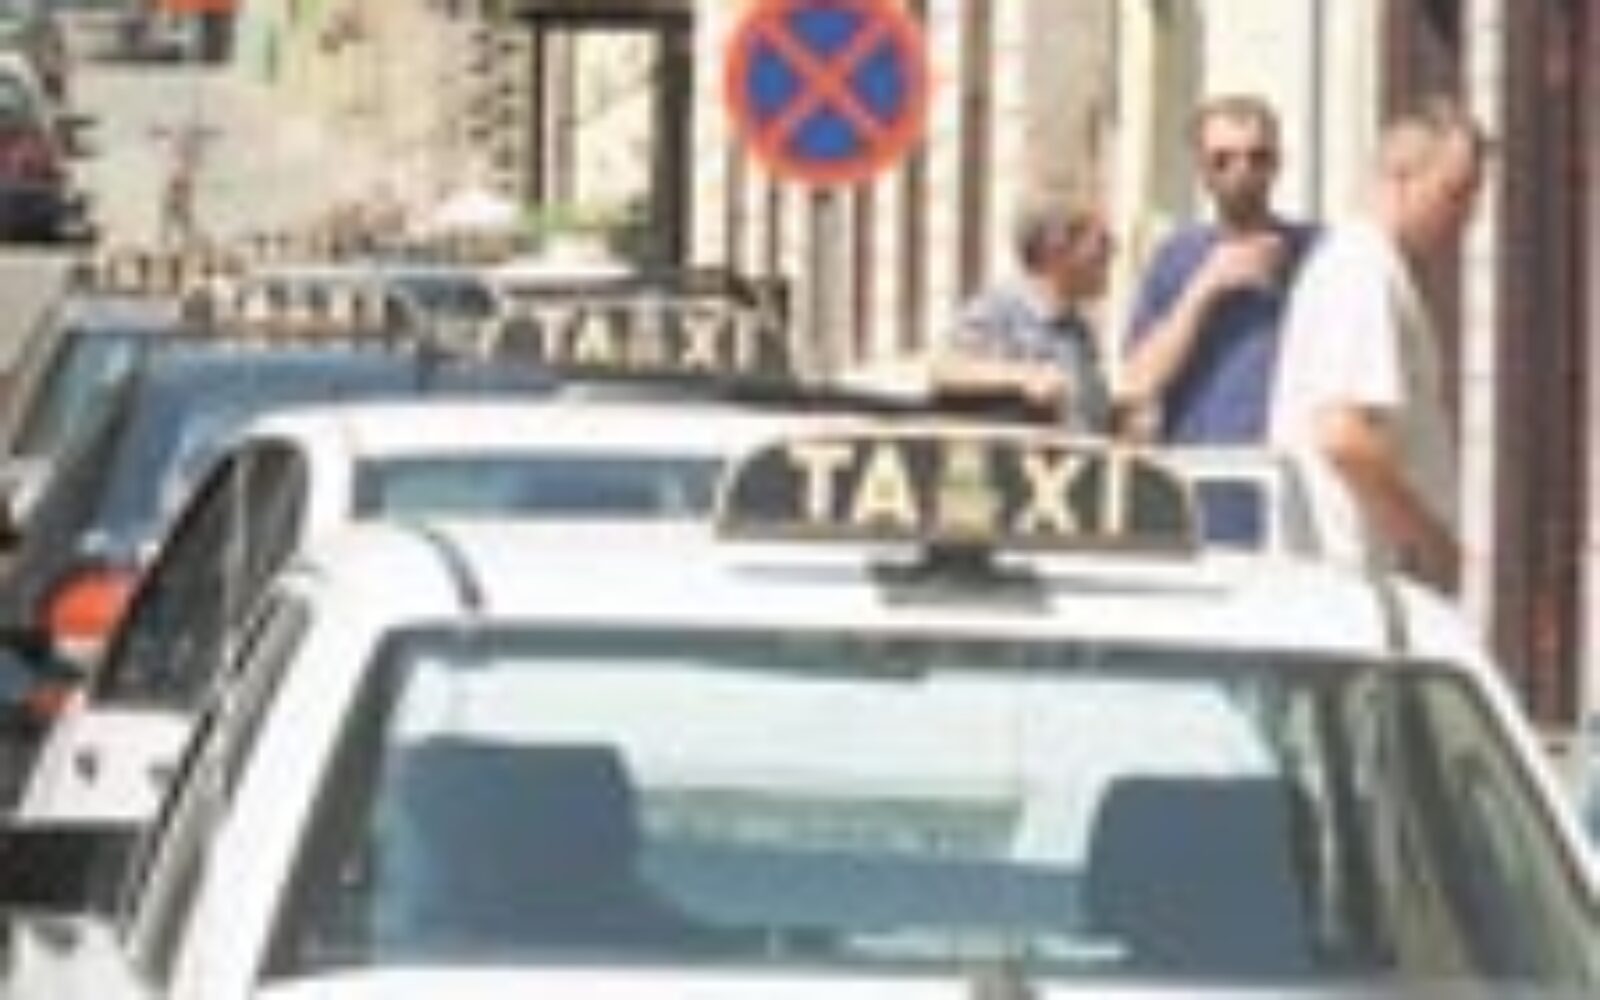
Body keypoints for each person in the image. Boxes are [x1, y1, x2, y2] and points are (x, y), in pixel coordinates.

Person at [1267, 97, 1488, 591]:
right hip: (1351, 578)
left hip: (1354, 576)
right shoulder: (1362, 269)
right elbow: (1344, 436)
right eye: (1454, 194)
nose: (1467, 216)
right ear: (1401, 177)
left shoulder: (1364, 266)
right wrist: (1427, 539)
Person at [1121, 95, 1318, 444]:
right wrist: (1206, 288)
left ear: (1277, 164)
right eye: (1222, 160)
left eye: (1258, 158)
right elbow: (1138, 382)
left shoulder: (1316, 253)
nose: (1242, 172)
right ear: (1202, 170)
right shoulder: (1176, 258)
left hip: (1289, 459)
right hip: (1200, 459)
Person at [931, 197, 1115, 432]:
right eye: (1103, 243)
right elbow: (944, 369)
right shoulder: (1003, 307)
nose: (1112, 253)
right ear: (1055, 248)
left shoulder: (1078, 330)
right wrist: (1023, 376)